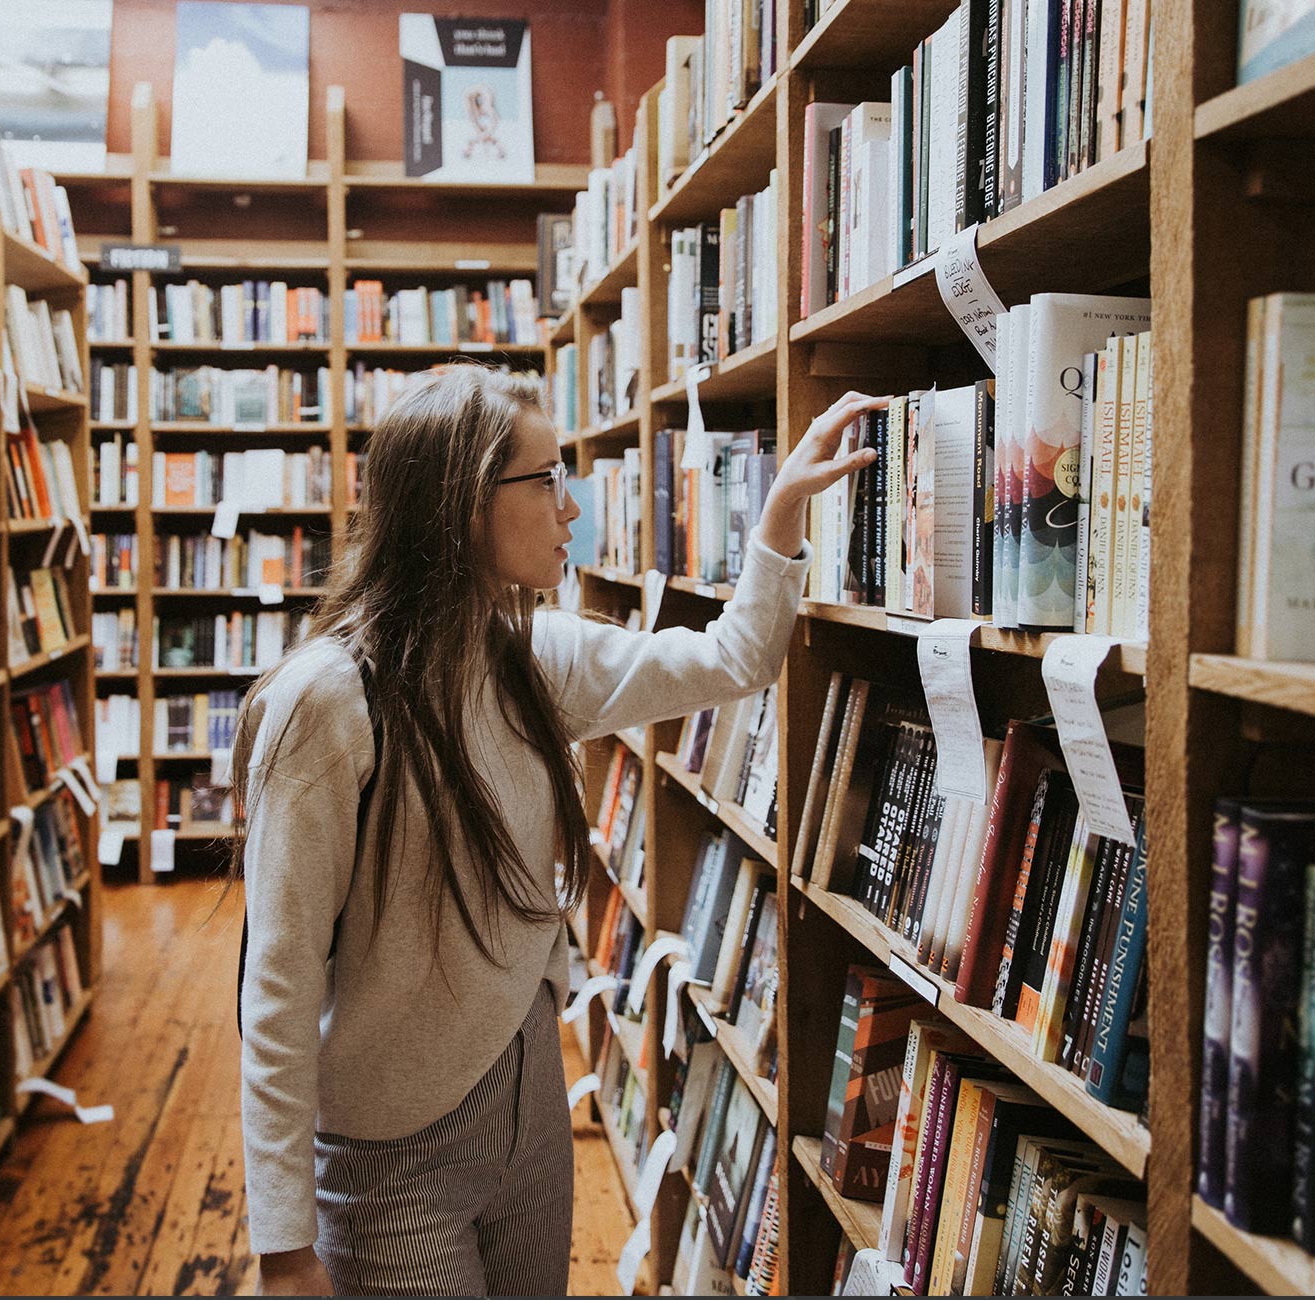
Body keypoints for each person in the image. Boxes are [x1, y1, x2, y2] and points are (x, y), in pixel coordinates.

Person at [235, 365, 882, 1296]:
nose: (571, 505)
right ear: (463, 506)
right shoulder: (327, 702)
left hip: (530, 1103)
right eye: (545, 480)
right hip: (391, 1153)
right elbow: (280, 978)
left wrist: (779, 517)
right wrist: (284, 1244)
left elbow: (734, 659)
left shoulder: (536, 657)